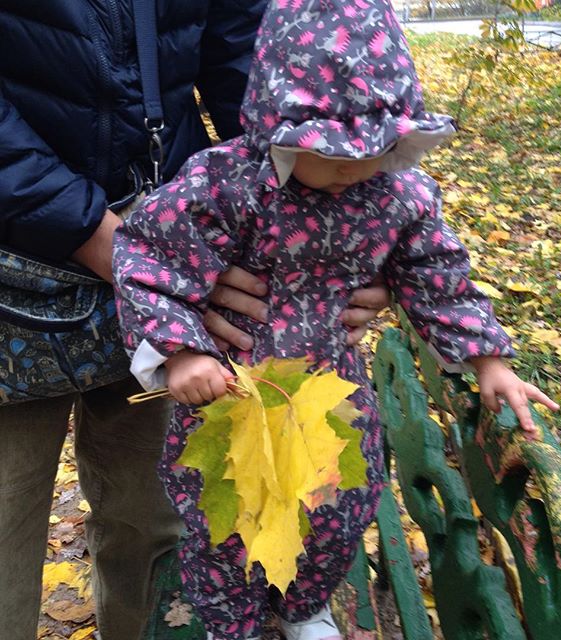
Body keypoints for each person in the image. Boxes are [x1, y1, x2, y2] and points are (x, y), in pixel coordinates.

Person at [112, 0, 560, 638]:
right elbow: (151, 258)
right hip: (233, 393)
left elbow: (438, 275)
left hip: (332, 397)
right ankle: (228, 619)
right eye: (334, 154)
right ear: (277, 126)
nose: (355, 168)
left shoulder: (399, 195)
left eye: (374, 150)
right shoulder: (227, 186)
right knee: (224, 516)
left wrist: (489, 359)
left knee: (337, 509)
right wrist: (182, 351)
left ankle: (303, 603)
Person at [0, 3, 388, 639]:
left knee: (154, 522)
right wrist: (123, 248)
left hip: (179, 255)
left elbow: (252, 70)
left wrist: (332, 218)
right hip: (29, 265)